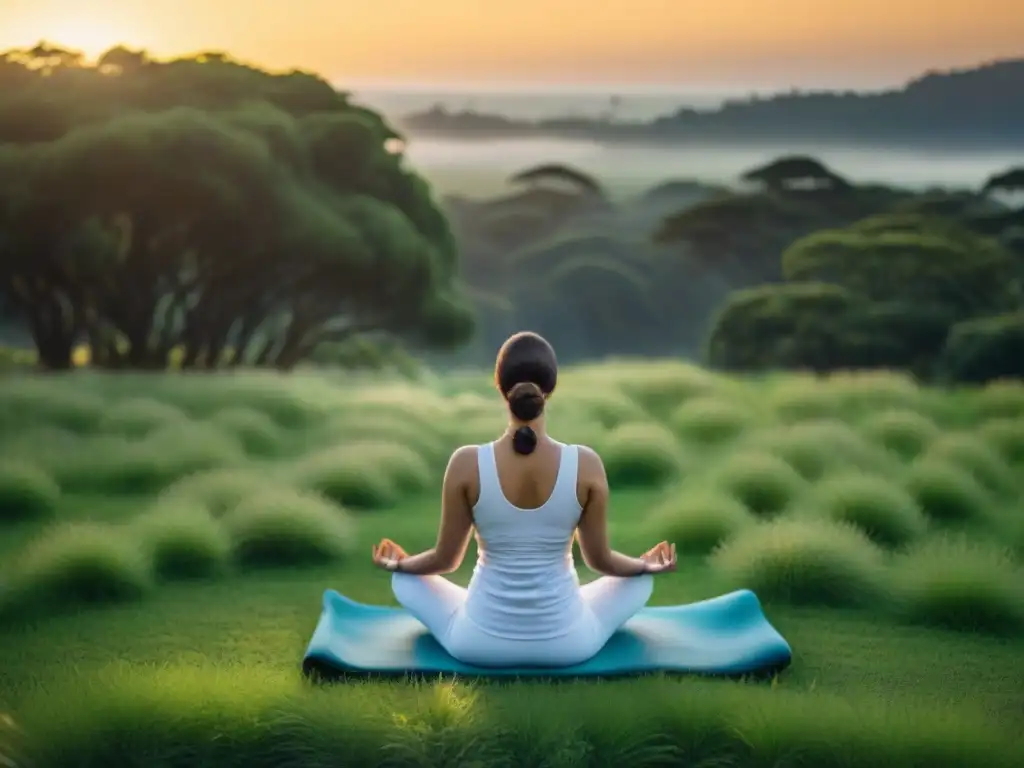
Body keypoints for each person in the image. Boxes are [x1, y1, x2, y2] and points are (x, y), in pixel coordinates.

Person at [371, 331, 677, 668]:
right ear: (550, 390)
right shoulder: (585, 464)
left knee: (405, 581)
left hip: (478, 642)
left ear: (501, 388)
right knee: (639, 582)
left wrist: (400, 564)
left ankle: (441, 592)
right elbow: (600, 561)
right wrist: (642, 565)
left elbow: (446, 560)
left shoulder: (466, 462)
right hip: (568, 642)